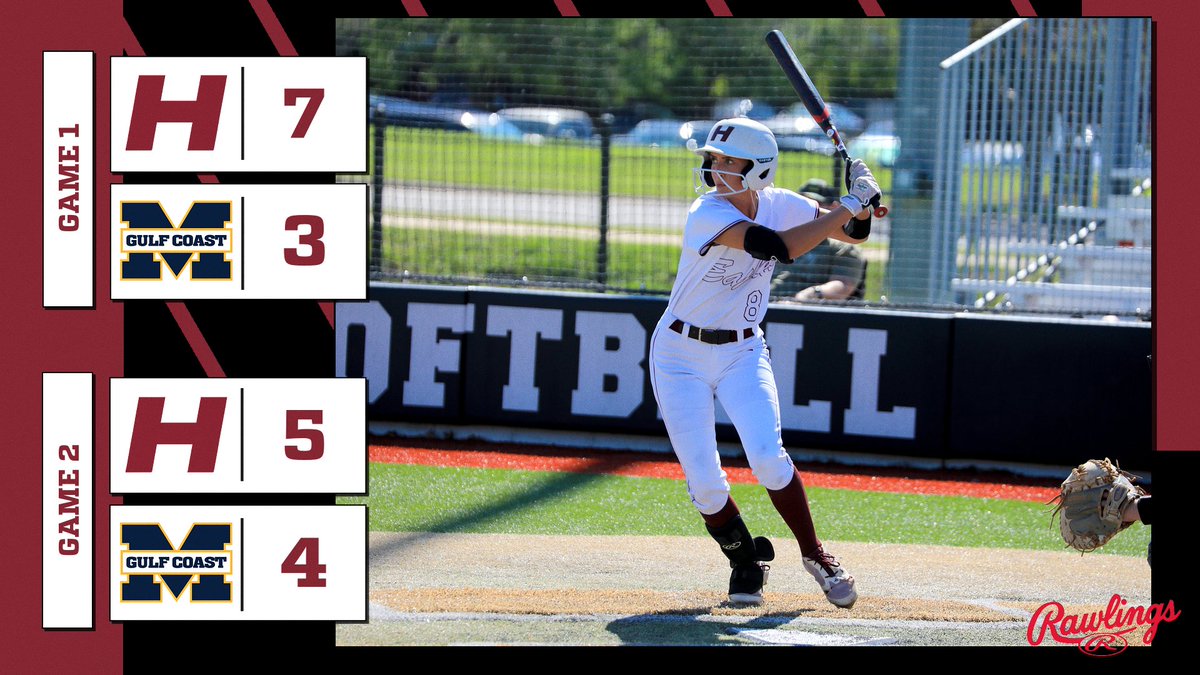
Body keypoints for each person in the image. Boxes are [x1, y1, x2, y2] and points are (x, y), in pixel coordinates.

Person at [650, 117, 880, 607]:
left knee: (769, 457)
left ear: (759, 169)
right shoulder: (706, 213)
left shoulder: (782, 203)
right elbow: (781, 247)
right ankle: (745, 564)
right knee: (707, 486)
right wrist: (849, 206)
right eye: (713, 159)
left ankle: (816, 554)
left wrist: (860, 204)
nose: (716, 168)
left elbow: (854, 234)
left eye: (728, 161)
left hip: (741, 349)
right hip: (679, 354)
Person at [770, 179, 868, 302]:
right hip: (764, 307)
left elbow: (844, 285)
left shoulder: (843, 248)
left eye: (816, 204)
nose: (808, 208)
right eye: (804, 202)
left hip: (810, 312)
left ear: (834, 208)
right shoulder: (785, 237)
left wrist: (811, 294)